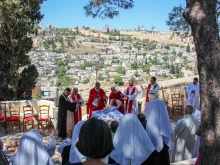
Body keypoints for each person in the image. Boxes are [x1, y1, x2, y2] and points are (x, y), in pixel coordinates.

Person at [145, 93, 172, 165]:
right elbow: (168, 136)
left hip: (154, 153)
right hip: (163, 152)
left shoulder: (148, 122)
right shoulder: (166, 123)